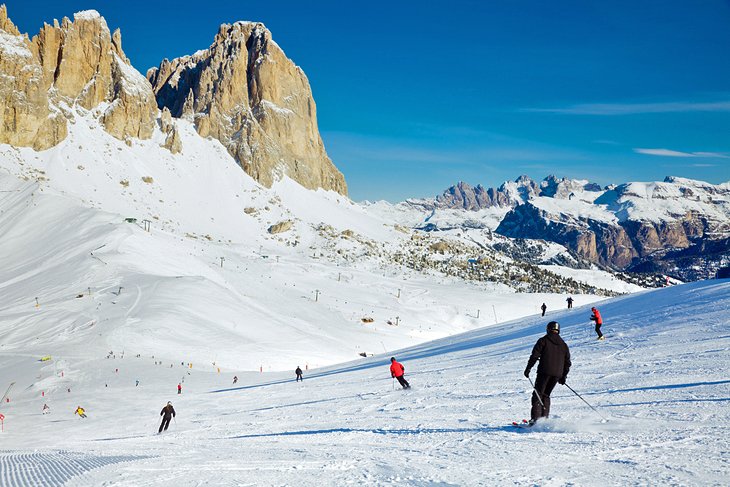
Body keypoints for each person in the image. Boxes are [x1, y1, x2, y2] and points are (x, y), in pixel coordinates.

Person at [523, 321, 571, 424]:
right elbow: (567, 363)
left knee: (538, 394)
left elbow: (535, 356)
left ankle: (536, 420)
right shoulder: (563, 345)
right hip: (557, 374)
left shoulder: (543, 340)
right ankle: (543, 420)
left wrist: (528, 368)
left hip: (544, 372)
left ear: (548, 329)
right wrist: (563, 377)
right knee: (546, 395)